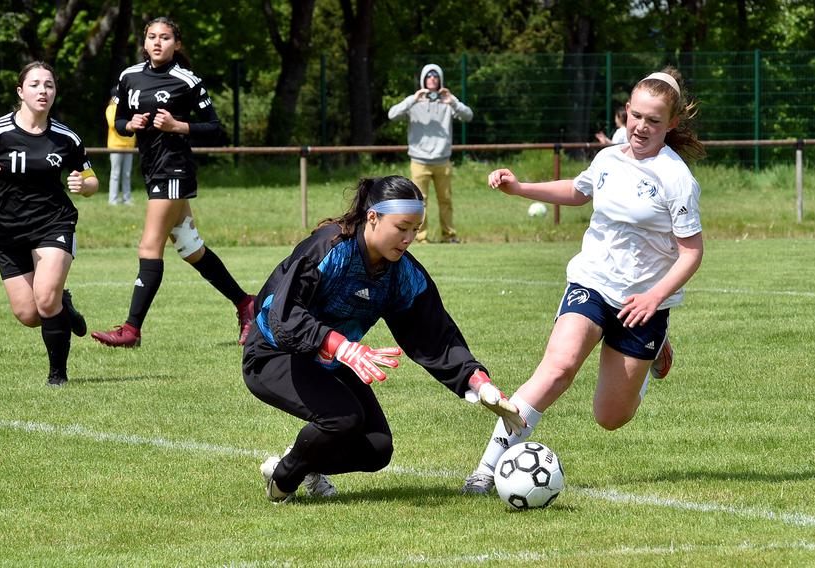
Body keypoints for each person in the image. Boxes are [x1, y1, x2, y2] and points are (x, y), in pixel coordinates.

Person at [462, 67, 706, 494]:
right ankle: (486, 469)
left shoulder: (676, 179)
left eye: (653, 120)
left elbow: (692, 252)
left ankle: (649, 358)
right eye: (635, 115)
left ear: (671, 124)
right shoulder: (609, 156)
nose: (641, 127)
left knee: (610, 417)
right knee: (557, 368)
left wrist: (654, 297)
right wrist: (520, 189)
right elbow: (578, 191)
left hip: (642, 303)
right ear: (625, 113)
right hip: (592, 281)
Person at [242, 175, 525, 503]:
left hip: (335, 357)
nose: (408, 239)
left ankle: (300, 458)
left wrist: (479, 384)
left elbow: (434, 336)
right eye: (401, 227)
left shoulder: (402, 273)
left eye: (415, 230)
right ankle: (282, 482)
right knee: (343, 419)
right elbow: (284, 315)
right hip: (272, 353)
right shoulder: (329, 248)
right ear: (372, 217)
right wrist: (340, 346)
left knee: (377, 448)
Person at [91, 17, 254, 348]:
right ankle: (245, 303)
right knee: (191, 248)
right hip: (152, 169)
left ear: (176, 44)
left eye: (165, 37)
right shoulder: (129, 77)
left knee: (149, 246)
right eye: (152, 37)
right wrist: (130, 124)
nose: (157, 42)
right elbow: (119, 120)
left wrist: (178, 126)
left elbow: (216, 130)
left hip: (174, 170)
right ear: (144, 42)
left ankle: (131, 329)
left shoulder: (187, 81)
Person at [0, 61, 99, 386]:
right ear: (21, 92)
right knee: (29, 314)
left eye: (48, 85)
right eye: (34, 85)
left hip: (54, 223)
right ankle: (66, 305)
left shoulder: (66, 137)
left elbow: (91, 180)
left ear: (55, 92)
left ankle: (57, 377)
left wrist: (84, 185)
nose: (42, 91)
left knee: (46, 298)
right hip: (8, 231)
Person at [387, 64, 473, 244]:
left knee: (446, 201)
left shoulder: (447, 101)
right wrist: (412, 99)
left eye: (435, 76)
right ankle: (421, 238)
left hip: (443, 161)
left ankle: (449, 236)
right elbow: (392, 115)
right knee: (420, 203)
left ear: (440, 79)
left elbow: (468, 116)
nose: (432, 79)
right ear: (423, 80)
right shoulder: (414, 101)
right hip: (419, 161)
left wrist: (453, 102)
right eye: (429, 76)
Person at [105, 87, 135, 205]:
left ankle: (127, 198)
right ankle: (113, 199)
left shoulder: (130, 108)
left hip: (129, 145)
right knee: (115, 173)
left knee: (127, 174)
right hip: (116, 146)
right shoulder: (111, 109)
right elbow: (113, 124)